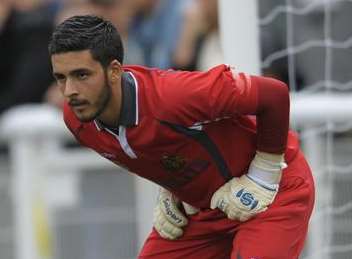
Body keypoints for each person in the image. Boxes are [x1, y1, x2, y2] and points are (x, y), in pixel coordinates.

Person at [48, 15, 315, 259]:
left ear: (115, 71)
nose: (70, 90)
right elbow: (157, 148)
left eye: (82, 75)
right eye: (61, 78)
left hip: (276, 190)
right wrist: (172, 189)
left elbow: (274, 95)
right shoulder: (77, 120)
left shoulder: (174, 96)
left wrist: (264, 175)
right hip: (203, 209)